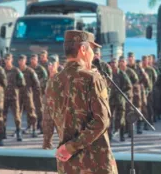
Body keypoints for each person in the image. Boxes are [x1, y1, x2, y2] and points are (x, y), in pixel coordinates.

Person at [45, 30, 118, 174]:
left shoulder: (53, 81)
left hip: (68, 165)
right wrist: (71, 147)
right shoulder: (92, 78)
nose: (94, 53)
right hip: (95, 164)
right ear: (83, 49)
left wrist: (63, 147)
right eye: (92, 49)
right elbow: (101, 120)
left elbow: (50, 119)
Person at [3, 53, 26, 141]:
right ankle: (3, 133)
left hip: (14, 97)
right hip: (4, 97)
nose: (7, 61)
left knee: (16, 116)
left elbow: (22, 83)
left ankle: (18, 132)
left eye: (8, 59)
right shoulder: (2, 71)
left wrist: (15, 87)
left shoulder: (16, 70)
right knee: (3, 116)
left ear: (11, 60)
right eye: (6, 59)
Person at [109, 58, 132, 141]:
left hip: (120, 100)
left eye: (114, 62)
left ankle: (122, 135)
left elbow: (129, 86)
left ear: (117, 64)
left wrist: (122, 92)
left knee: (121, 118)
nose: (113, 64)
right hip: (111, 99)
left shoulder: (122, 74)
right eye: (111, 62)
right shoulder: (108, 74)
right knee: (109, 118)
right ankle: (110, 135)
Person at [18, 55, 39, 138]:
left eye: (22, 60)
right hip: (19, 95)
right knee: (18, 113)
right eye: (20, 60)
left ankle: (34, 129)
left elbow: (36, 83)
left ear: (25, 61)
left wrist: (34, 93)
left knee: (31, 112)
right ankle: (18, 130)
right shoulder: (17, 71)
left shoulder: (30, 71)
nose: (21, 62)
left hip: (28, 94)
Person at [30, 54, 48, 134]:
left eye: (34, 59)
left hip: (39, 91)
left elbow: (45, 78)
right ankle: (31, 126)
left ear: (37, 60)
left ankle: (41, 126)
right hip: (30, 92)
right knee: (31, 109)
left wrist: (39, 84)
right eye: (32, 59)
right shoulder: (29, 68)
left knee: (39, 109)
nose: (33, 61)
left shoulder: (41, 68)